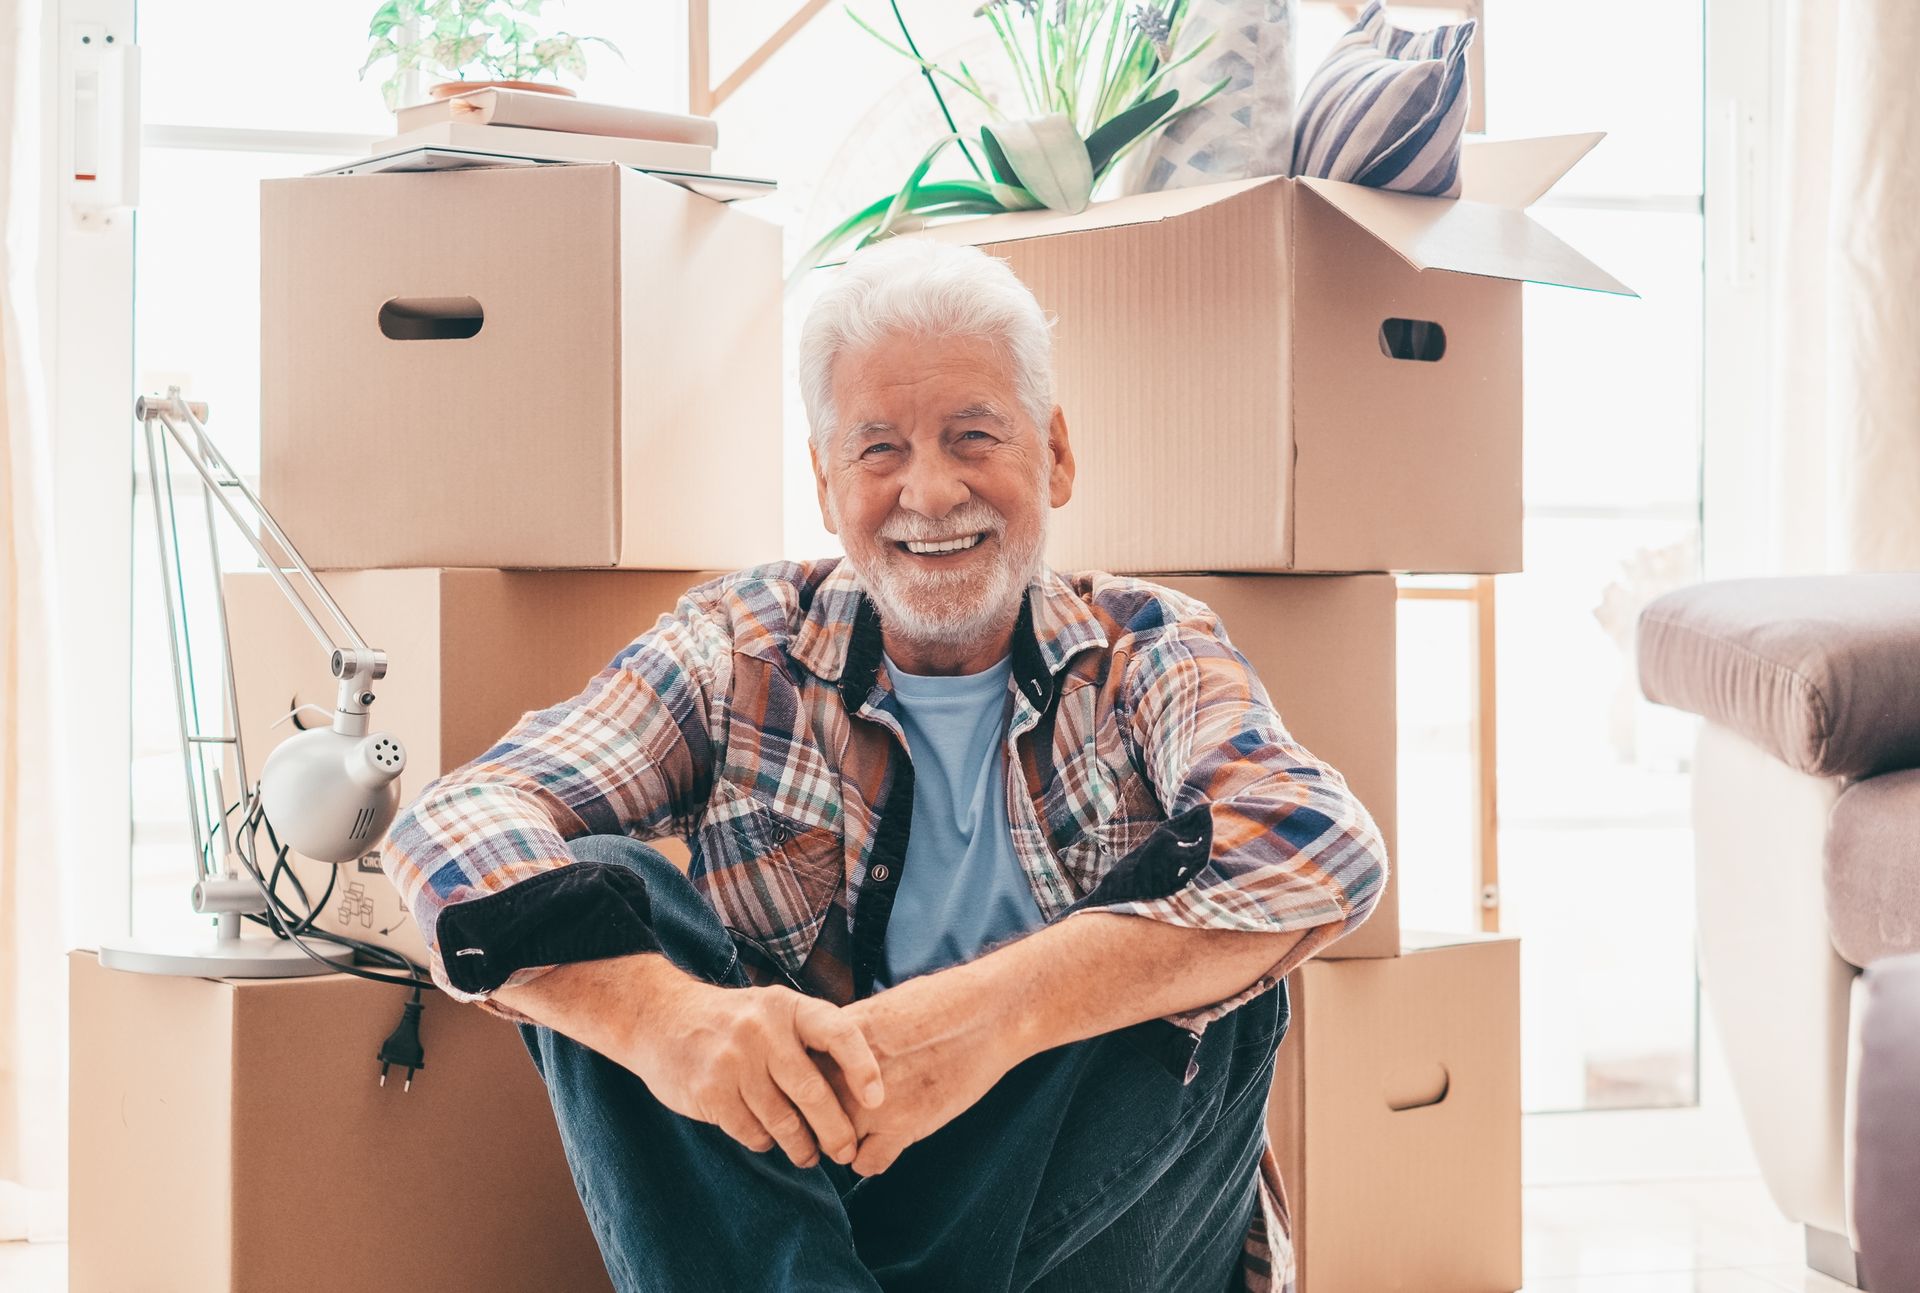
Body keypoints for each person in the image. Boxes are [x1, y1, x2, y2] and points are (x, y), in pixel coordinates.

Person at [381, 237, 1389, 1293]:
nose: (932, 491)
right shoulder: (741, 646)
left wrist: (981, 1023)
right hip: (820, 1220)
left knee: (1226, 960)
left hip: (1097, 1231)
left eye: (974, 437)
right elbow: (456, 822)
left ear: (1055, 454)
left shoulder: (1148, 646)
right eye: (879, 452)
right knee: (604, 889)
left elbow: (1320, 844)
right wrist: (665, 1023)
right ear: (826, 482)